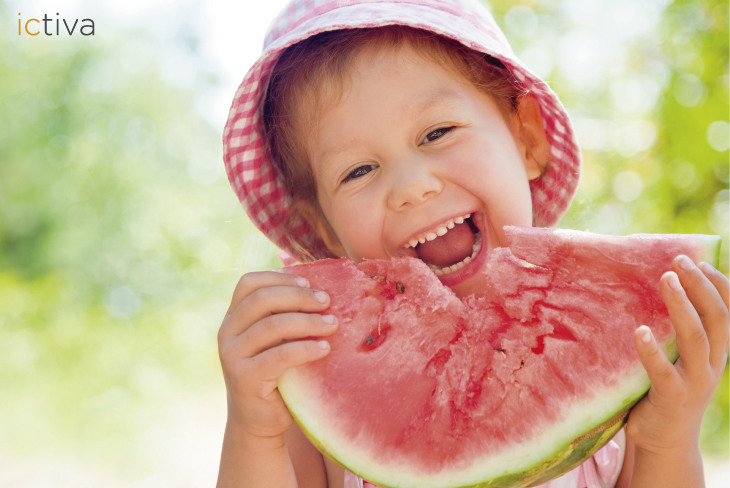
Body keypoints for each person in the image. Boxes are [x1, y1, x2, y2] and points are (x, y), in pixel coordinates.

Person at [216, 0, 730, 486]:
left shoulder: (629, 369)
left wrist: (668, 439)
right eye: (358, 171)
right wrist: (253, 430)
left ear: (527, 139)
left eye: (437, 132)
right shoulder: (313, 388)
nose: (412, 186)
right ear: (324, 230)